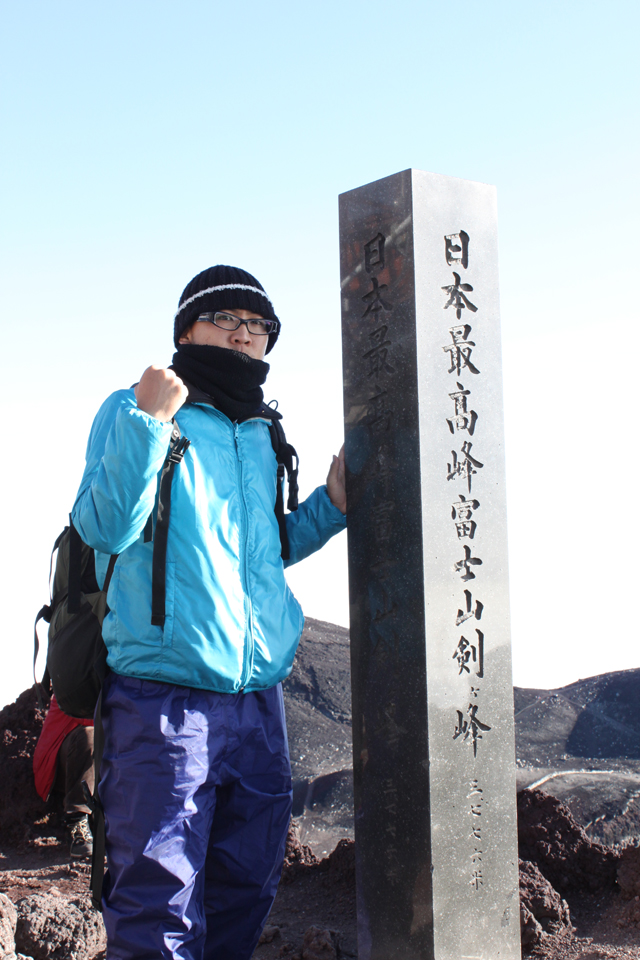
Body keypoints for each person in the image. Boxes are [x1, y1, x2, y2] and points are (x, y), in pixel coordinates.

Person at [71, 264, 347, 960]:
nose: (243, 336)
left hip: (259, 704)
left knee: (245, 886)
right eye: (226, 320)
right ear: (187, 330)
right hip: (165, 703)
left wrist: (332, 507)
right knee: (158, 902)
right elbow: (104, 528)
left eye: (258, 328)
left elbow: (260, 553)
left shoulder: (258, 430)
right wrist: (148, 423)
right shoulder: (133, 408)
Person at [33, 694, 95, 859]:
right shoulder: (77, 680)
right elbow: (96, 717)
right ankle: (78, 823)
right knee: (91, 735)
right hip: (60, 765)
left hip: (96, 770)